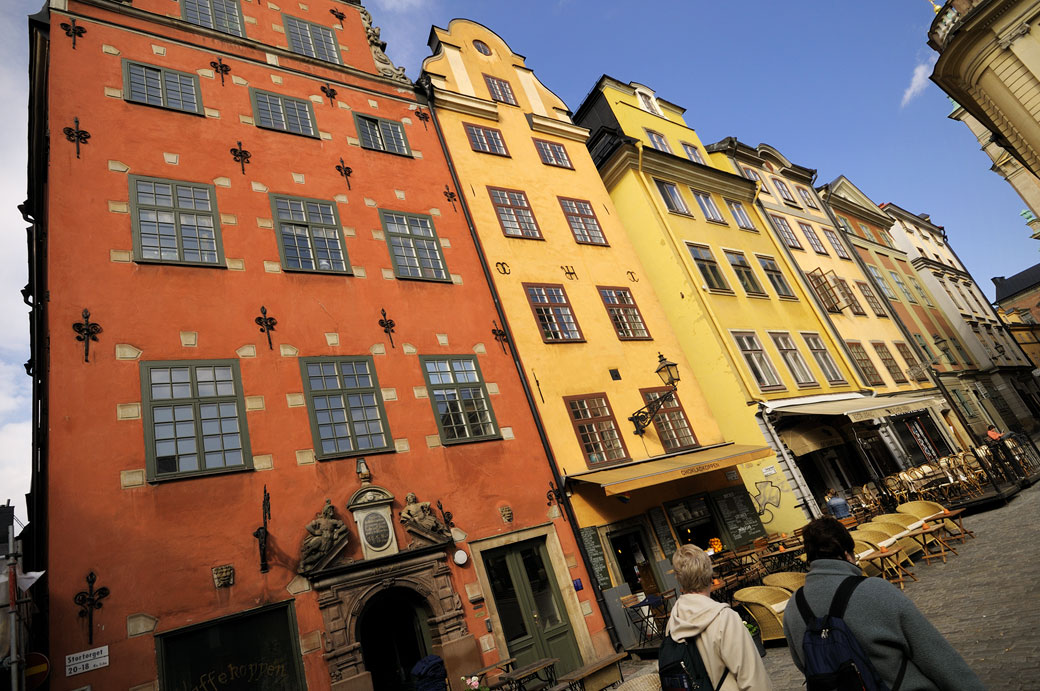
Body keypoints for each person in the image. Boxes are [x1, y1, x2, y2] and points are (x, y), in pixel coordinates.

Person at [783, 517, 984, 690]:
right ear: (847, 554)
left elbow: (804, 665)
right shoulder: (875, 590)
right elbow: (936, 657)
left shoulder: (793, 607)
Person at [664, 544, 771, 690]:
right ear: (710, 573)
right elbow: (753, 679)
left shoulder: (673, 622)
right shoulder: (725, 618)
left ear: (678, 578)